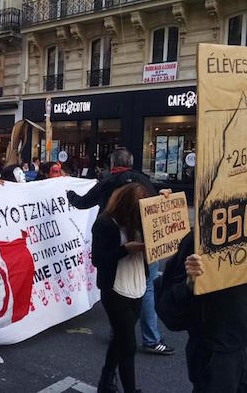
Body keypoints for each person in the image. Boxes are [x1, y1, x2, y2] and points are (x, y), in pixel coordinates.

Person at [159, 233, 247, 392]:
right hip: (213, 353)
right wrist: (190, 284)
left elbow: (246, 293)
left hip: (245, 345)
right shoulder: (196, 239)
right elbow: (169, 308)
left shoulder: (244, 235)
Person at [67, 148, 173, 354]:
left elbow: (82, 203)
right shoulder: (143, 180)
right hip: (143, 244)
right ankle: (150, 339)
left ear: (112, 164)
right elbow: (156, 208)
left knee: (114, 289)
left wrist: (68, 193)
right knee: (146, 286)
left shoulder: (106, 183)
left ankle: (119, 331)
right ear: (131, 162)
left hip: (113, 243)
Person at [91, 183, 150, 393]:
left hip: (137, 285)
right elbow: (98, 259)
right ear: (124, 207)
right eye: (135, 210)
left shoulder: (141, 220)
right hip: (115, 290)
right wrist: (125, 249)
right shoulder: (104, 224)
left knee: (120, 338)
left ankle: (106, 380)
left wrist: (164, 201)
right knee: (128, 346)